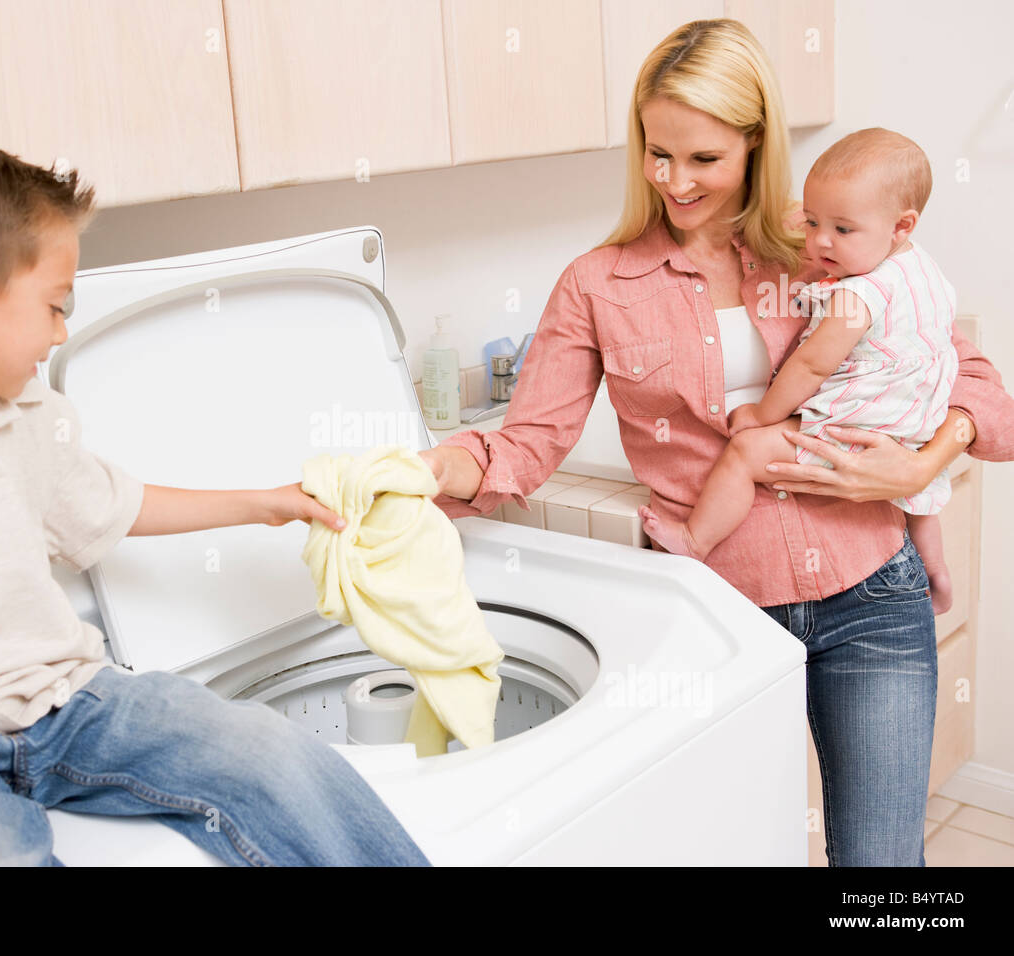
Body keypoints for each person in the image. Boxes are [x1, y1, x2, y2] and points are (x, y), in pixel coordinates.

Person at [0, 138, 430, 867]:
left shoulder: (26, 411)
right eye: (55, 307)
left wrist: (263, 502)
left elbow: (114, 504)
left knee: (273, 753)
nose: (60, 333)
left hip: (73, 701)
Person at [418, 19, 1014, 866]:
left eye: (703, 158)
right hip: (718, 612)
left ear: (755, 142)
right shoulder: (598, 283)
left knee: (882, 873)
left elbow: (981, 387)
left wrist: (925, 460)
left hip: (874, 595)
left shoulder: (824, 245)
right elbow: (526, 445)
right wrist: (426, 472)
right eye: (658, 153)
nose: (674, 179)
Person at [640, 128, 959, 615]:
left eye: (842, 230)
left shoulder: (859, 293)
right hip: (911, 428)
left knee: (745, 452)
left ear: (902, 225)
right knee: (916, 500)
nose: (819, 241)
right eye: (811, 222)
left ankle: (693, 540)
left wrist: (762, 414)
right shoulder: (927, 273)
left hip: (856, 432)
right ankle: (936, 575)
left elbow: (811, 364)